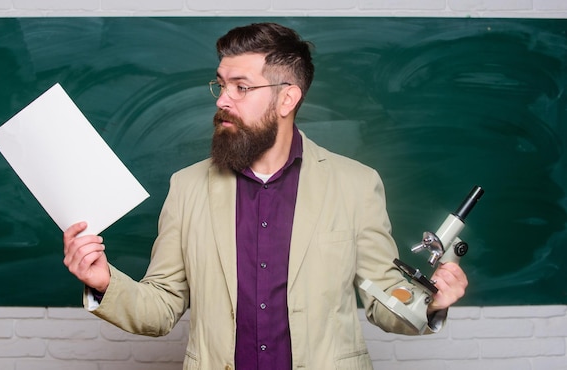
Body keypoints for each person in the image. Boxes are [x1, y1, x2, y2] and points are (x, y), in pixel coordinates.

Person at [63, 22, 467, 370]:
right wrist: (104, 281)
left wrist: (429, 303)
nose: (223, 99)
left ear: (287, 98)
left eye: (241, 87)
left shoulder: (355, 184)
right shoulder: (187, 188)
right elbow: (163, 307)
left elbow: (384, 297)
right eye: (221, 85)